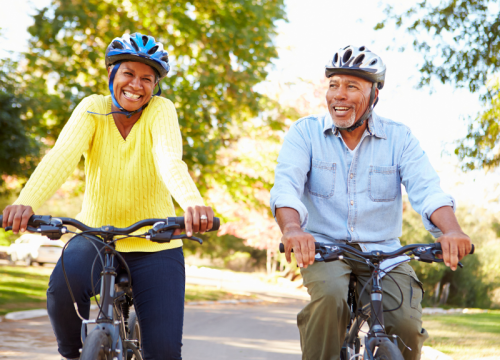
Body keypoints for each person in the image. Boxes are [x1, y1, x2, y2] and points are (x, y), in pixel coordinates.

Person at [1, 32, 214, 360]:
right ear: (112, 75)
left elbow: (169, 159)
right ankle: (74, 355)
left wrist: (192, 202)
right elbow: (61, 156)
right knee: (60, 293)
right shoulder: (92, 108)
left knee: (164, 352)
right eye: (128, 73)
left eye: (147, 78)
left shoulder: (161, 110)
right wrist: (24, 202)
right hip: (94, 236)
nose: (137, 84)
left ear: (156, 86)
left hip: (155, 243)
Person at [270, 45, 472, 360]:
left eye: (351, 86)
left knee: (405, 324)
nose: (339, 94)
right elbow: (286, 186)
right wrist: (293, 228)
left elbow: (427, 189)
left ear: (374, 95)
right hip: (325, 249)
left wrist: (451, 231)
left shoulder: (399, 138)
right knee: (328, 300)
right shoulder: (305, 133)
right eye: (334, 85)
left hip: (385, 253)